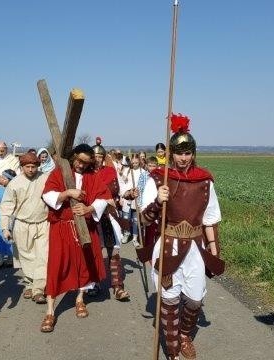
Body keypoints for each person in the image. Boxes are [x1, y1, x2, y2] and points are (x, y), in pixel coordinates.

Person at [139, 114, 223, 360]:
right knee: (170, 299)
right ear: (172, 153)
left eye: (188, 153)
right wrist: (158, 201)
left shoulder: (204, 181)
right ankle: (173, 349)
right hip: (168, 246)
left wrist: (214, 252)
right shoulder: (159, 179)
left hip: (195, 249)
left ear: (194, 153)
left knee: (195, 300)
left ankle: (185, 334)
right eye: (179, 153)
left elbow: (210, 218)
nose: (183, 158)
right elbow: (144, 220)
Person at [40, 144, 108, 332]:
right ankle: (50, 311)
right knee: (57, 265)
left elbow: (103, 198)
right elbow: (47, 195)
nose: (81, 165)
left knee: (84, 264)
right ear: (73, 157)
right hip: (62, 227)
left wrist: (89, 208)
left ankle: (80, 299)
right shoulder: (59, 173)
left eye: (86, 162)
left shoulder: (92, 176)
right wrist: (68, 193)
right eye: (79, 160)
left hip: (85, 227)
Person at [0, 152, 50, 304]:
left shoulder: (45, 178)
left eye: (33, 166)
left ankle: (38, 289)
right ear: (21, 167)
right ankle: (29, 283)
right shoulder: (14, 183)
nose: (30, 170)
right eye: (27, 167)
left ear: (37, 166)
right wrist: (5, 228)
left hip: (43, 223)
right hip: (22, 225)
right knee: (26, 257)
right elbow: (6, 207)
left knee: (43, 256)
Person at [92, 143, 130, 301]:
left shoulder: (110, 171)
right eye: (95, 157)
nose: (98, 159)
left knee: (114, 250)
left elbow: (121, 190)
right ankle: (94, 283)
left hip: (110, 215)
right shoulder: (86, 173)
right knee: (94, 250)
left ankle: (117, 286)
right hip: (92, 215)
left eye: (100, 157)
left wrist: (129, 194)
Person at [119, 153, 150, 248]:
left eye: (136, 162)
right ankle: (126, 234)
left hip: (138, 199)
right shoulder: (127, 171)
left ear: (139, 162)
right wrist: (122, 196)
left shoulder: (143, 173)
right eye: (133, 163)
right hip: (127, 198)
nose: (135, 164)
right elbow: (122, 184)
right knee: (126, 218)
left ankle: (135, 238)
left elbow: (146, 186)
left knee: (136, 220)